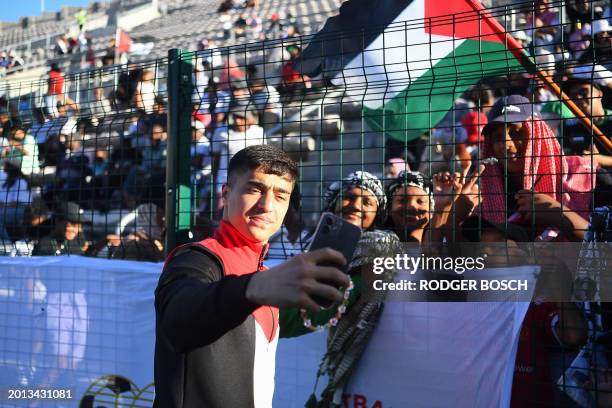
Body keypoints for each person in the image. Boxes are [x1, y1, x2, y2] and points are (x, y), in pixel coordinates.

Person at [154, 145, 350, 407]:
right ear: (226, 193)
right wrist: (253, 287)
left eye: (281, 195)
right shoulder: (196, 258)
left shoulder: (264, 276)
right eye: (254, 189)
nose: (267, 205)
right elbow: (177, 317)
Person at [479, 95, 596, 241]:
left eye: (516, 133)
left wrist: (557, 213)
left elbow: (606, 245)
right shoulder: (490, 197)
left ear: (539, 134)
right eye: (497, 137)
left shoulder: (588, 177)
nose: (506, 144)